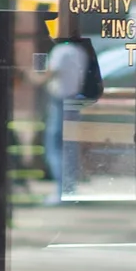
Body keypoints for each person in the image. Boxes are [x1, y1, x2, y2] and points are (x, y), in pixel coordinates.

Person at [42, 19, 98, 199]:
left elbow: (49, 74)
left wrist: (28, 75)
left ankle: (61, 190)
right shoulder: (80, 52)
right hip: (74, 101)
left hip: (60, 101)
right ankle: (69, 188)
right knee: (70, 146)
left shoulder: (60, 51)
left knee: (55, 145)